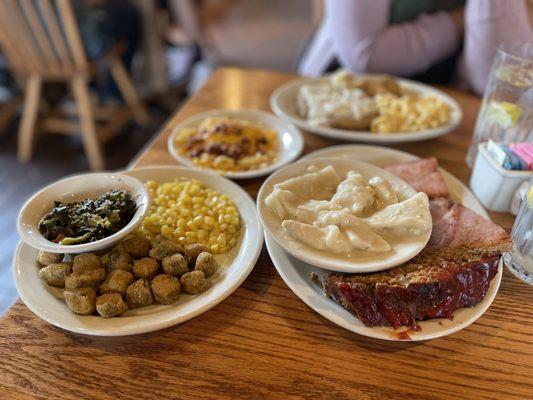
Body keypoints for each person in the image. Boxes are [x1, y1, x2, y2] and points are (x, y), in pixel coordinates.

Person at [299, 0, 532, 95]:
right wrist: (460, 21)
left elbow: (503, 82)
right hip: (344, 86)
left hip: (441, 99)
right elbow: (366, 56)